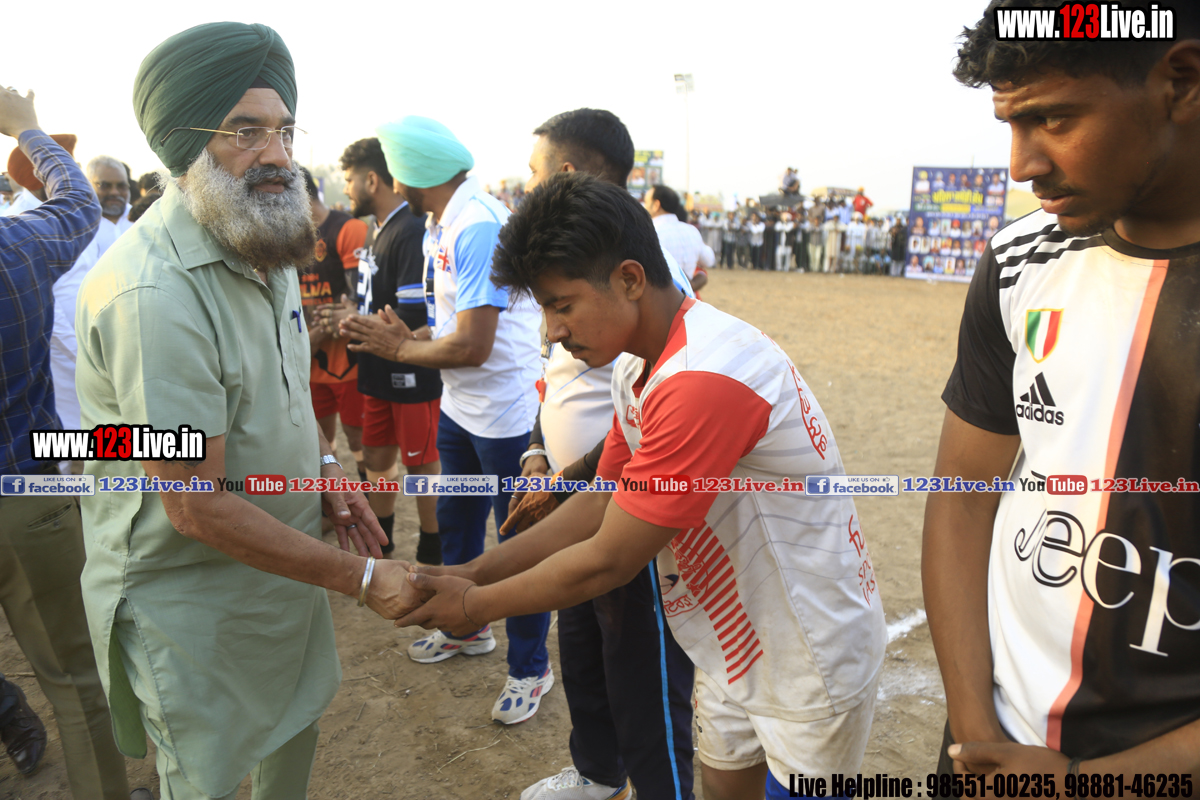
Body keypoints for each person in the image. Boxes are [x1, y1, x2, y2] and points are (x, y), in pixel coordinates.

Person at [402, 171, 886, 800]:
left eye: (561, 305)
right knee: (724, 786)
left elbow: (609, 558)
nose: (551, 331)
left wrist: (471, 607)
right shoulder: (636, 365)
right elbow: (600, 502)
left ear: (630, 279)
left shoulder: (702, 380)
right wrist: (472, 572)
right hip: (735, 634)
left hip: (806, 646)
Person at [75, 24, 419, 798]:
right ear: (185, 145)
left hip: (283, 572)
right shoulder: (153, 294)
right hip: (192, 603)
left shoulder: (264, 242)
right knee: (207, 777)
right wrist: (363, 575)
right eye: (245, 131)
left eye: (285, 131)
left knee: (292, 741)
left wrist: (324, 466)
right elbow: (194, 504)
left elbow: (285, 387)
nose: (277, 154)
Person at [925, 0, 1200, 781]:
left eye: (1053, 118)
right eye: (1011, 124)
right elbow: (962, 497)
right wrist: (975, 733)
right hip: (994, 748)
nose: (1021, 164)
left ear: (1181, 81)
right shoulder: (1018, 261)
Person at [507, 108, 696, 800]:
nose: (554, 331)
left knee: (642, 675)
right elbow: (555, 385)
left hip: (632, 509)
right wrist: (538, 456)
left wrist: (471, 595)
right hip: (580, 494)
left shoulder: (649, 296)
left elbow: (649, 419)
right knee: (585, 650)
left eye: (532, 173)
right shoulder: (568, 274)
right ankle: (597, 774)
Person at [342, 116, 551, 724]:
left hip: (506, 416)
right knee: (457, 524)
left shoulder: (479, 225)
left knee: (518, 546)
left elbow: (476, 345)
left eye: (395, 172)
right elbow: (453, 326)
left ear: (414, 173)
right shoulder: (443, 221)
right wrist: (410, 337)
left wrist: (401, 350)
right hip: (462, 409)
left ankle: (530, 667)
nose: (390, 183)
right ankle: (466, 628)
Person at [0, 85, 137, 797]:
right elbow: (78, 204)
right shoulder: (18, 247)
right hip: (27, 494)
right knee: (77, 681)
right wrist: (29, 128)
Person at [339, 138, 443, 562]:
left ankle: (433, 545)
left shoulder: (410, 229)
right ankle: (382, 542)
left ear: (371, 180)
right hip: (376, 368)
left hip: (411, 370)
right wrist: (351, 313)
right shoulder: (376, 227)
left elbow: (412, 312)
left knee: (420, 462)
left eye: (348, 179)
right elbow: (373, 300)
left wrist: (357, 322)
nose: (345, 189)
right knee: (377, 453)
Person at [48, 155, 135, 441]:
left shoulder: (141, 221)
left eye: (121, 186)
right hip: (76, 348)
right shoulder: (75, 227)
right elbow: (59, 298)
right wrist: (80, 353)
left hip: (131, 346)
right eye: (104, 185)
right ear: (88, 185)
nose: (115, 192)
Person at [297, 165, 371, 491]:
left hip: (349, 360)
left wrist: (323, 328)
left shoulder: (348, 228)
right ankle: (334, 499)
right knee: (317, 440)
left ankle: (370, 501)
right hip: (307, 362)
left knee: (358, 435)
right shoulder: (282, 236)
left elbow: (360, 300)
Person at [645, 183, 713, 293]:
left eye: (646, 202)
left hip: (658, 300)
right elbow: (709, 260)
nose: (644, 207)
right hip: (687, 300)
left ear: (656, 205)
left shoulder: (650, 232)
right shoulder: (692, 231)